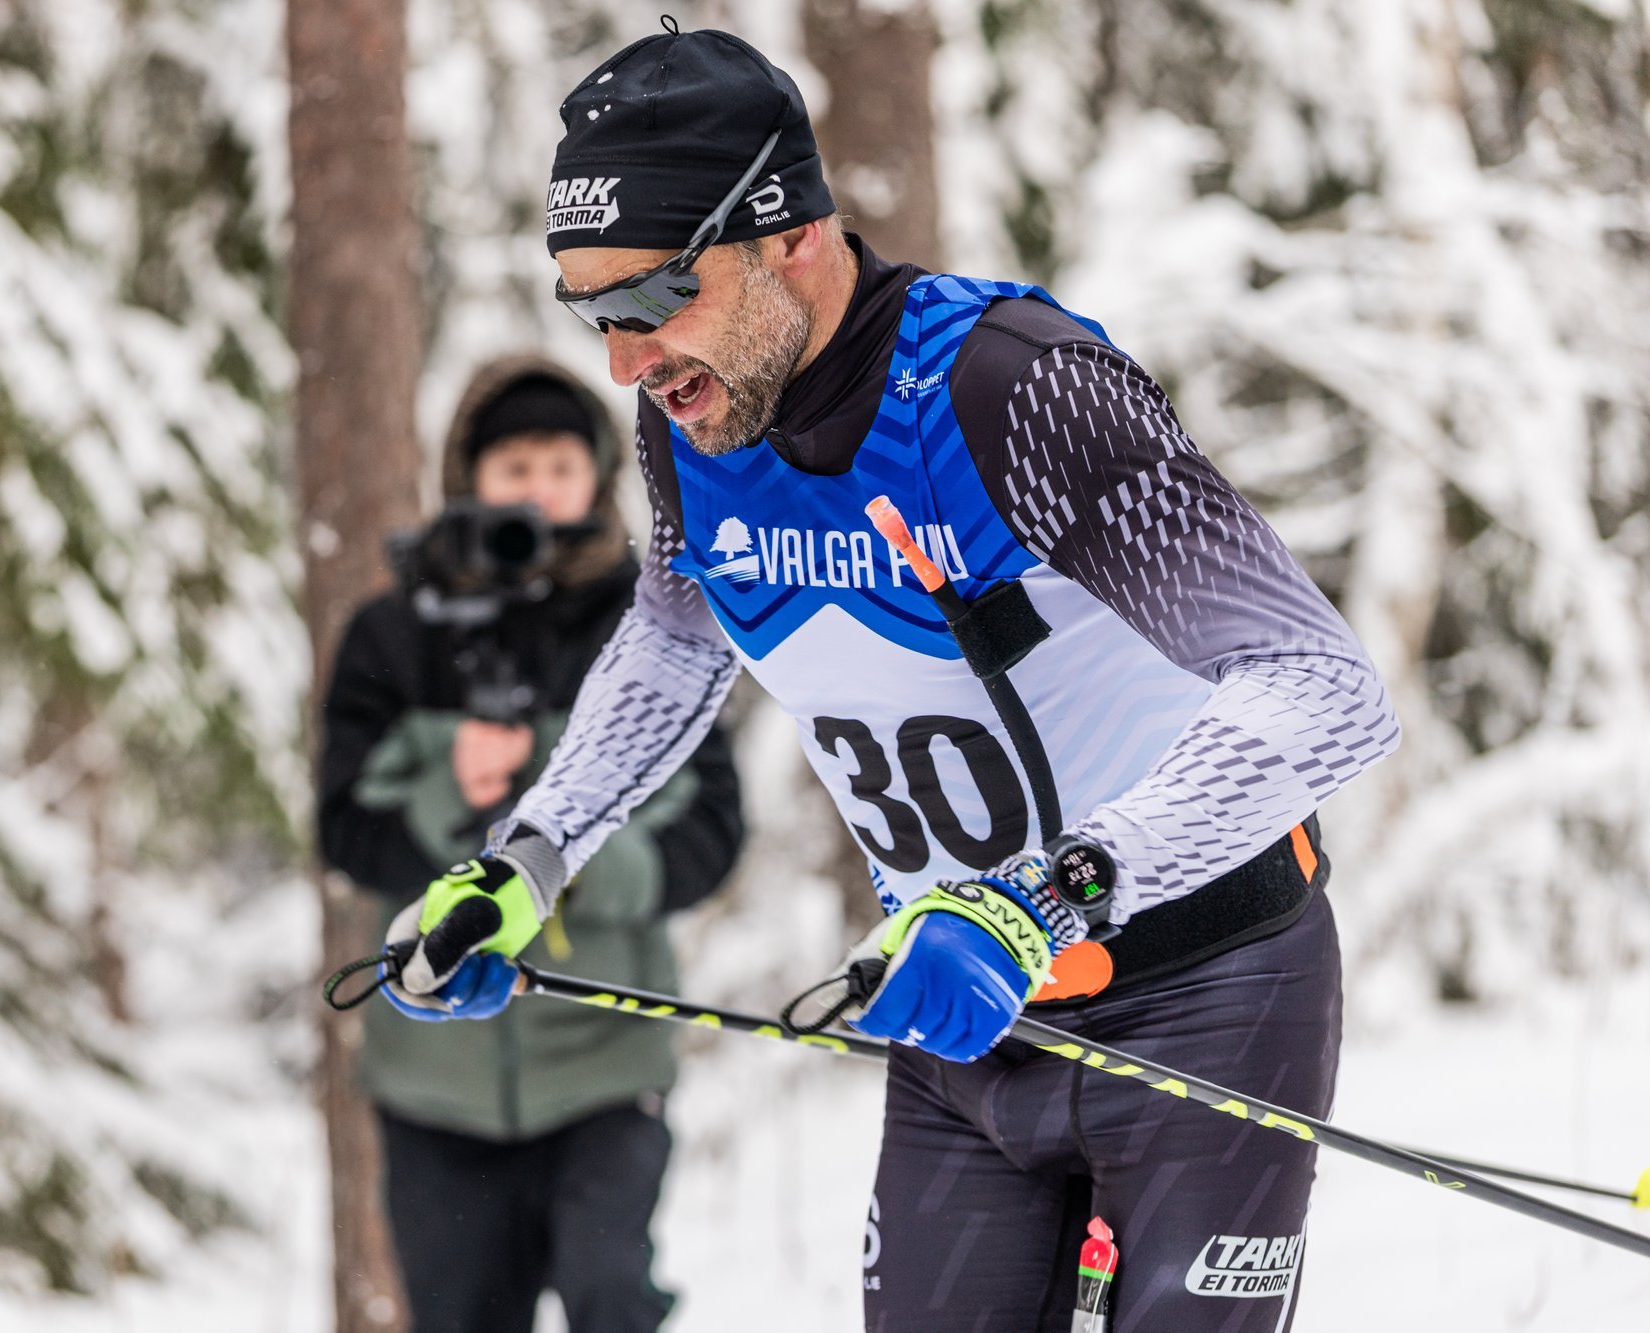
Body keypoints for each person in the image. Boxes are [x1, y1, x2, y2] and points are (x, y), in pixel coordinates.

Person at [379, 21, 1401, 1333]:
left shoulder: (1010, 388)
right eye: (592, 314)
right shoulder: (696, 416)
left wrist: (1053, 894)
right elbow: (678, 635)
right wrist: (531, 855)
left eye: (651, 301)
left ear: (792, 237)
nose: (625, 362)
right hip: (964, 1014)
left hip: (1206, 986)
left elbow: (1320, 683)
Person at [318, 357, 743, 1333]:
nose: (540, 491)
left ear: (599, 475)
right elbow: (343, 830)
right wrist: (446, 790)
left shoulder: (652, 624)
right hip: (434, 1084)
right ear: (469, 476)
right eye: (516, 467)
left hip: (606, 1060)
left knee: (610, 1299)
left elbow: (712, 833)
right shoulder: (391, 634)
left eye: (561, 465)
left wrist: (562, 862)